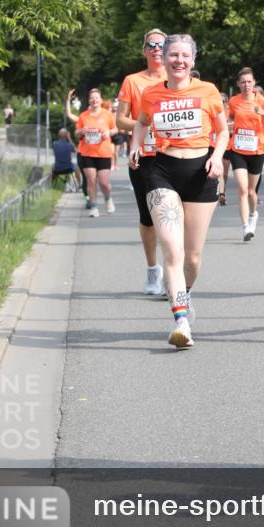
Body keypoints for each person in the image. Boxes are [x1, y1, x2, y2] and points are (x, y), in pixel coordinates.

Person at [130, 34, 228, 349]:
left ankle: (185, 293)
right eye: (173, 55)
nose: (179, 61)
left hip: (201, 173)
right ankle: (181, 321)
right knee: (172, 250)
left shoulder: (208, 91)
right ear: (165, 58)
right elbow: (142, 123)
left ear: (193, 60)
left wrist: (216, 157)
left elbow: (223, 130)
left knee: (193, 257)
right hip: (162, 172)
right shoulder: (151, 93)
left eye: (185, 55)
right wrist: (135, 146)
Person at [117, 29, 168, 296]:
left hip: (174, 155)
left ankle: (173, 273)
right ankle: (152, 269)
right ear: (144, 50)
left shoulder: (178, 78)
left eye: (161, 44)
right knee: (148, 217)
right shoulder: (132, 81)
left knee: (171, 215)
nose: (156, 49)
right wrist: (145, 126)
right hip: (144, 155)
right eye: (151, 44)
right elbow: (120, 120)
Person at [227, 68, 264, 241]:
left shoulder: (263, 102)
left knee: (252, 192)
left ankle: (253, 214)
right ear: (238, 84)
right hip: (238, 150)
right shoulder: (233, 101)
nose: (246, 85)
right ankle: (245, 227)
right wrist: (228, 124)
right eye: (243, 82)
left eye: (249, 82)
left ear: (254, 83)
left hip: (257, 150)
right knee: (243, 190)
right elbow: (228, 118)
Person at [74, 88, 117, 218]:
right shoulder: (83, 116)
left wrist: (108, 132)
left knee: (104, 183)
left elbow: (115, 129)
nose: (94, 100)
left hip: (103, 153)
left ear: (101, 100)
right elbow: (76, 133)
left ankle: (108, 198)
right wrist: (81, 131)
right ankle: (93, 207)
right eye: (92, 98)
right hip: (87, 153)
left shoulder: (107, 114)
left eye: (96, 98)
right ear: (89, 101)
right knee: (91, 181)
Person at [217, 92, 232, 205]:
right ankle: (221, 193)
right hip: (214, 144)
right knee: (219, 171)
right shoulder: (214, 109)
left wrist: (231, 125)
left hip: (228, 144)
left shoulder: (229, 111)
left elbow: (237, 122)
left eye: (223, 101)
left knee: (225, 172)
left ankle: (223, 190)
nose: (221, 103)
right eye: (219, 101)